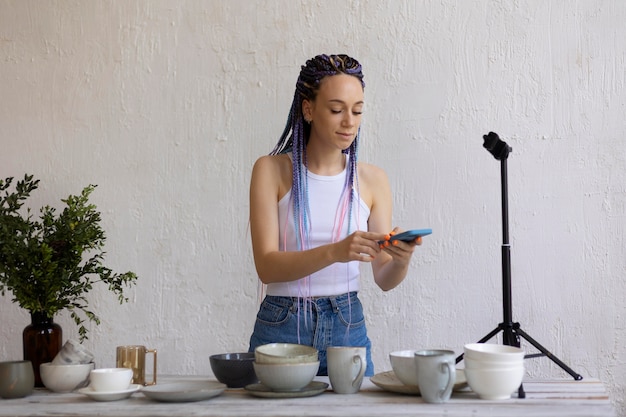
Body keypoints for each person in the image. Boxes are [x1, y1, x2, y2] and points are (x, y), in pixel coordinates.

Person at [247, 54, 422, 376]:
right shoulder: (271, 170)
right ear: (308, 109)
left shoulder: (373, 180)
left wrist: (400, 259)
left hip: (347, 323)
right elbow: (267, 267)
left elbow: (383, 279)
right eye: (337, 109)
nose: (350, 121)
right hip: (283, 324)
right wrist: (336, 251)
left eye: (357, 110)